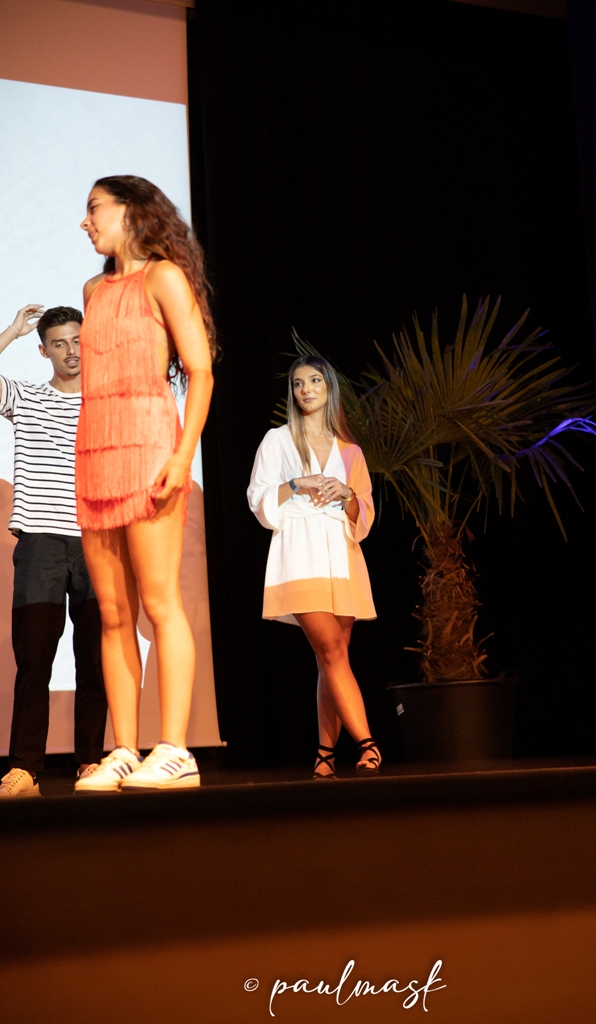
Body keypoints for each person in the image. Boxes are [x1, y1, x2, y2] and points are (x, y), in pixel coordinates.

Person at [74, 175, 215, 793]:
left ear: (130, 211)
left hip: (151, 445)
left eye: (94, 209)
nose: (85, 222)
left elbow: (201, 371)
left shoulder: (164, 277)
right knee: (111, 614)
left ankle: (176, 749)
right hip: (95, 450)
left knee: (160, 604)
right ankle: (125, 750)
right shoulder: (92, 290)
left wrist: (183, 456)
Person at [247, 356, 380, 778]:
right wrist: (294, 484)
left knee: (331, 658)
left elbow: (364, 516)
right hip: (298, 554)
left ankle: (325, 754)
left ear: (329, 388)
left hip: (342, 556)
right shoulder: (277, 440)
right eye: (298, 383)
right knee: (331, 649)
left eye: (315, 381)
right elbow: (257, 498)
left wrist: (347, 493)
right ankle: (368, 744)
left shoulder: (351, 451)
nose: (306, 389)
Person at [0, 304, 107, 798]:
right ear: (44, 351)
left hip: (97, 540)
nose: (71, 352)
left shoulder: (107, 402)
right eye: (59, 344)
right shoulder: (26, 397)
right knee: (34, 661)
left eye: (78, 340)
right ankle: (25, 769)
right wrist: (10, 332)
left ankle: (91, 761)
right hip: (40, 543)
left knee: (95, 660)